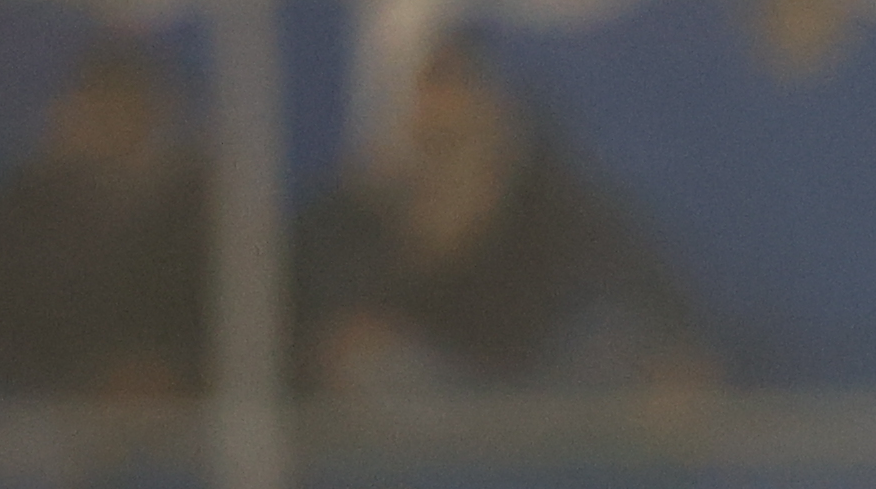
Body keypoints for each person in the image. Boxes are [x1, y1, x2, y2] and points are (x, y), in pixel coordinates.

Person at [298, 37, 710, 397]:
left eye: (458, 90)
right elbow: (328, 341)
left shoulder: (562, 208)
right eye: (431, 133)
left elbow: (659, 317)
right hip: (426, 423)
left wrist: (666, 362)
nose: (440, 115)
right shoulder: (357, 218)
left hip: (545, 411)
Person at [0, 35, 212, 404]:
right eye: (100, 107)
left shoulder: (205, 214)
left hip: (185, 414)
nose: (116, 125)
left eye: (130, 107)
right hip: (53, 410)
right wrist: (84, 383)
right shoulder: (20, 215)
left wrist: (169, 375)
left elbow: (232, 326)